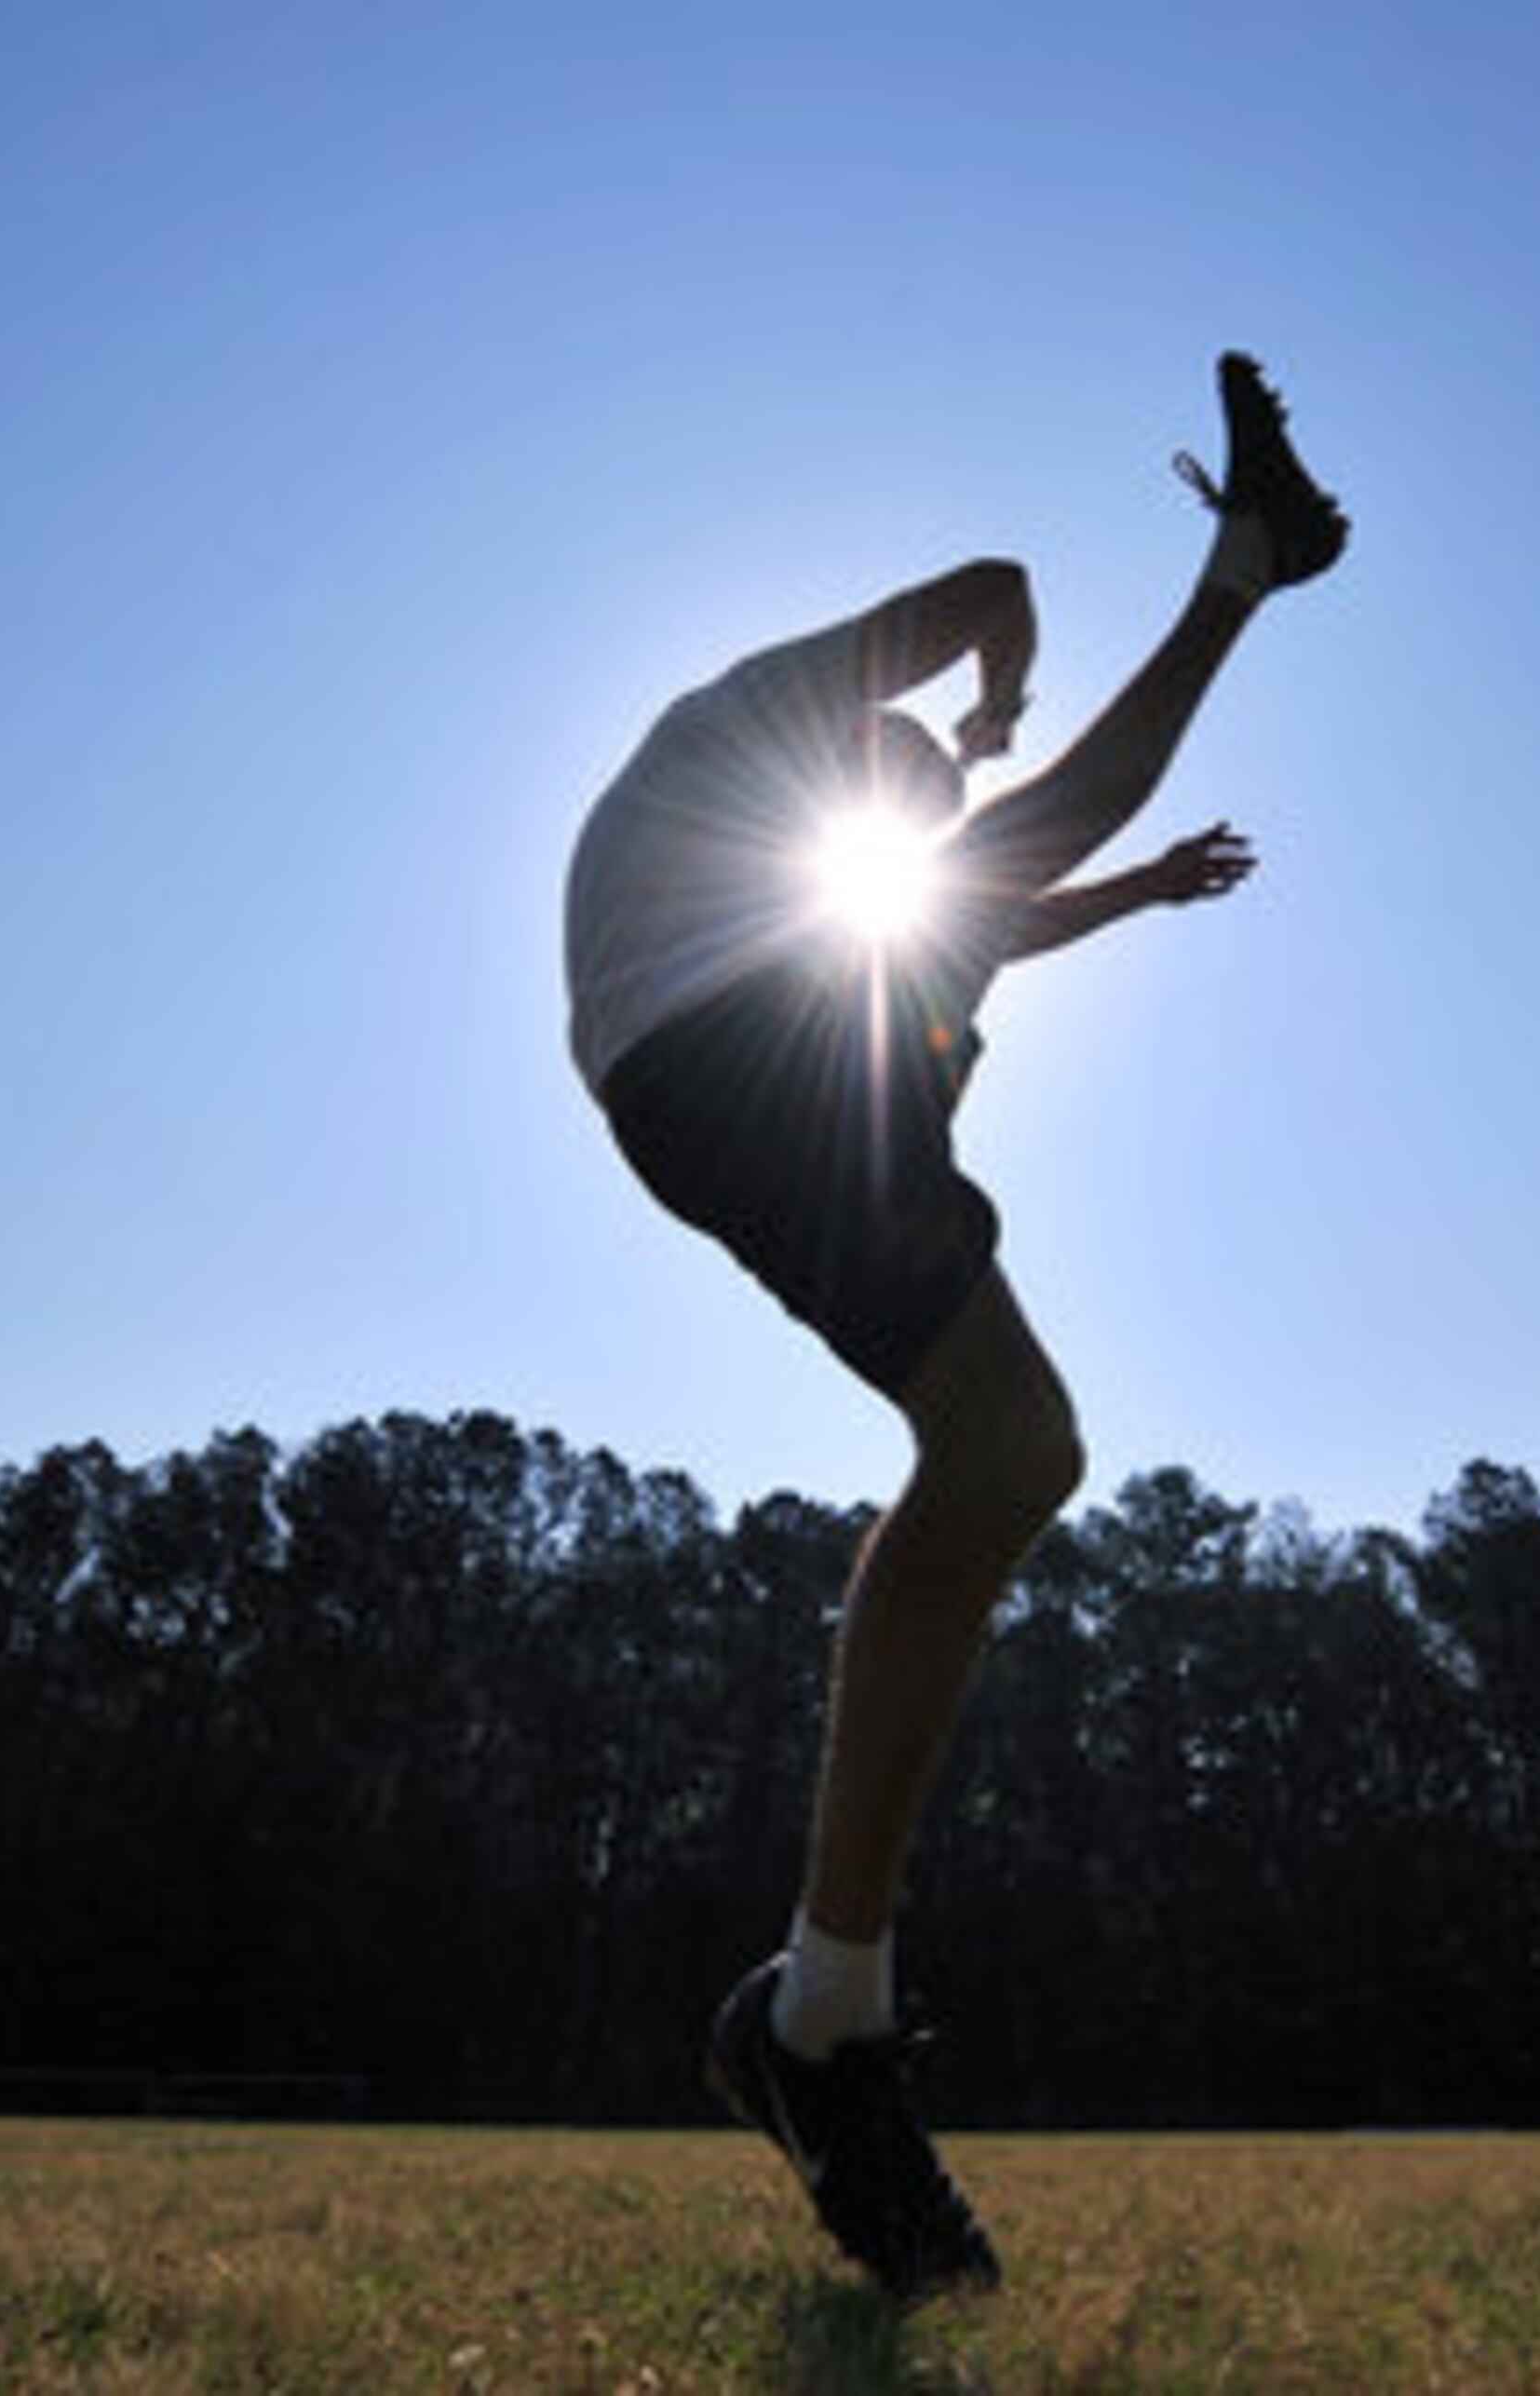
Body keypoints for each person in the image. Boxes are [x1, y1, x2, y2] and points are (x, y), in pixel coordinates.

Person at [561, 351, 1347, 2298]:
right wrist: (990, 712)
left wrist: (1136, 896)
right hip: (719, 1032)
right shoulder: (741, 728)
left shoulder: (912, 904)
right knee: (973, 908)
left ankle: (823, 2014)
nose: (931, 804)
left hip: (758, 1067)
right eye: (898, 782)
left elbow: (1000, 906)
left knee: (1012, 1451)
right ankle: (1246, 571)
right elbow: (995, 582)